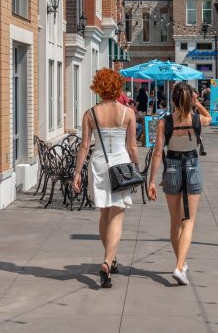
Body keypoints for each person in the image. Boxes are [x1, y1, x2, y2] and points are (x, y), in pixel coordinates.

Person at [73, 68, 139, 289]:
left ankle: (110, 259)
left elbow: (84, 146)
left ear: (98, 87)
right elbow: (132, 146)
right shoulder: (128, 113)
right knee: (117, 216)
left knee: (103, 213)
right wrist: (137, 166)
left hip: (99, 164)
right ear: (117, 86)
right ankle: (107, 262)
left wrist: (76, 172)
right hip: (120, 164)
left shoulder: (90, 113)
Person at [147, 83, 212, 285]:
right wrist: (197, 103)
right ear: (189, 99)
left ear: (173, 100)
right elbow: (210, 117)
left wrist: (151, 181)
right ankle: (179, 266)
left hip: (172, 166)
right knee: (189, 222)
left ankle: (180, 264)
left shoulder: (164, 122)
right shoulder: (196, 119)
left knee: (175, 222)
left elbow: (158, 153)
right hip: (192, 165)